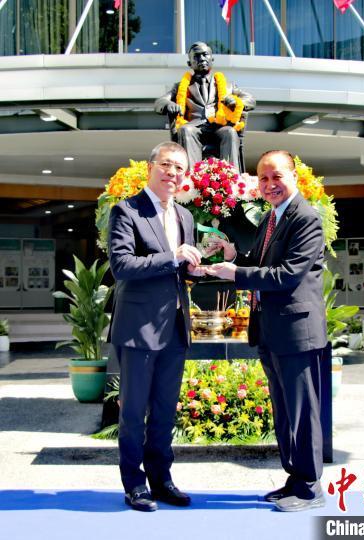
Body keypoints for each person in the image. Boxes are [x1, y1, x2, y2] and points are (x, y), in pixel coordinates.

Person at [205, 150, 328, 512]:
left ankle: (310, 487)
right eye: (263, 178)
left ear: (294, 177)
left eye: (277, 177)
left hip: (297, 332)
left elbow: (287, 275)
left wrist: (236, 274)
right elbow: (260, 263)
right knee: (285, 411)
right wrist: (233, 255)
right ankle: (295, 479)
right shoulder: (272, 218)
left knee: (302, 411)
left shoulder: (306, 219)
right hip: (273, 330)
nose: (270, 184)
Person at [108, 141, 204, 512]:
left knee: (165, 411)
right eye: (167, 165)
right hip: (139, 328)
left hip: (175, 327)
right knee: (133, 413)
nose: (173, 173)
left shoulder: (185, 216)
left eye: (180, 168)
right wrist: (172, 256)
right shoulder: (127, 210)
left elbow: (180, 270)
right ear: (151, 167)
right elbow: (122, 266)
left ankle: (161, 480)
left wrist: (198, 266)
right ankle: (134, 484)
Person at [154, 41, 255, 171]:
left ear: (212, 59)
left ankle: (231, 176)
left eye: (205, 54)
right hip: (194, 127)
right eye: (196, 56)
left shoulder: (228, 86)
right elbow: (159, 102)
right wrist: (169, 104)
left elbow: (250, 100)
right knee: (186, 130)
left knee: (229, 132)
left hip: (219, 126)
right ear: (189, 63)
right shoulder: (180, 86)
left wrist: (236, 102)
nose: (201, 58)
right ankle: (191, 178)